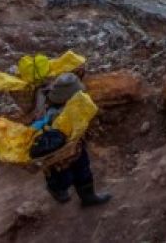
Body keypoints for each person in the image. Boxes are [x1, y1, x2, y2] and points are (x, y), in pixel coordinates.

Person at [35, 73, 112, 207]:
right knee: (63, 175)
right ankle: (56, 188)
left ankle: (88, 197)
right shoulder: (52, 112)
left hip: (75, 145)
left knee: (83, 168)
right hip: (59, 150)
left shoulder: (67, 104)